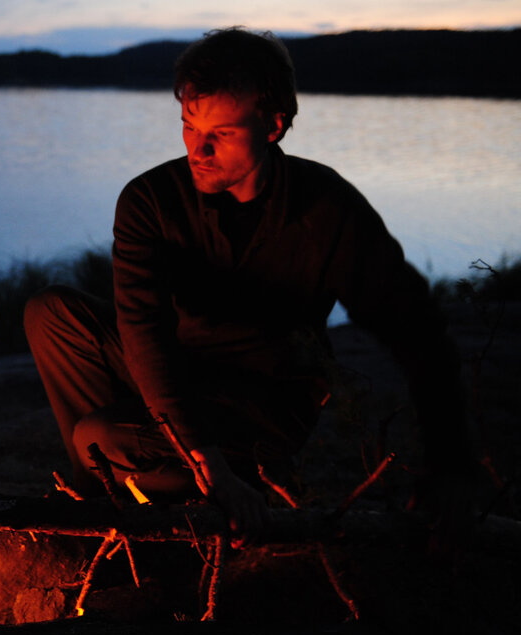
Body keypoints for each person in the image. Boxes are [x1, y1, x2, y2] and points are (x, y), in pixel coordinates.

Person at [24, 27, 473, 541]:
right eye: (189, 126)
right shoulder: (151, 200)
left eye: (223, 133)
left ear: (273, 125)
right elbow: (142, 331)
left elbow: (417, 332)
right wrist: (205, 458)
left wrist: (452, 465)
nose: (199, 148)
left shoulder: (327, 209)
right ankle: (114, 496)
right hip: (182, 372)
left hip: (262, 401)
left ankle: (198, 486)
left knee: (98, 436)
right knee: (52, 312)